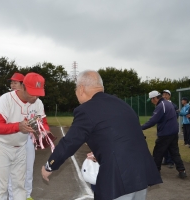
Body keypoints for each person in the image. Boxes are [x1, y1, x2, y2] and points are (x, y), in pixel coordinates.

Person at [42, 70, 162, 200]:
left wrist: (50, 166)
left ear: (81, 88)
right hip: (141, 174)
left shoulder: (86, 110)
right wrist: (102, 153)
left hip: (118, 181)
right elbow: (129, 137)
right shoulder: (122, 104)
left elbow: (70, 142)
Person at [0, 72, 49, 200]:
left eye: (38, 93)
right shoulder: (6, 99)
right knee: (1, 187)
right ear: (23, 87)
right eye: (32, 92)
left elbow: (43, 123)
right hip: (1, 147)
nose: (35, 96)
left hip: (21, 147)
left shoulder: (38, 103)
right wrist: (18, 126)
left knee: (19, 186)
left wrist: (45, 133)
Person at [141, 90, 187, 179]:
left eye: (151, 99)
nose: (151, 101)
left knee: (157, 152)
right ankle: (182, 171)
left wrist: (140, 128)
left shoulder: (161, 106)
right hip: (173, 132)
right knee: (174, 152)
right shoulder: (168, 103)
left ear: (155, 98)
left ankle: (155, 172)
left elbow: (153, 121)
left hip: (166, 133)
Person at [161, 90, 178, 168]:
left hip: (171, 129)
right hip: (163, 129)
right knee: (164, 145)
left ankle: (171, 161)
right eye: (163, 95)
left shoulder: (173, 105)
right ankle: (166, 159)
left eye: (166, 95)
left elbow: (176, 116)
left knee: (171, 146)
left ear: (169, 96)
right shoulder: (161, 105)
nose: (164, 96)